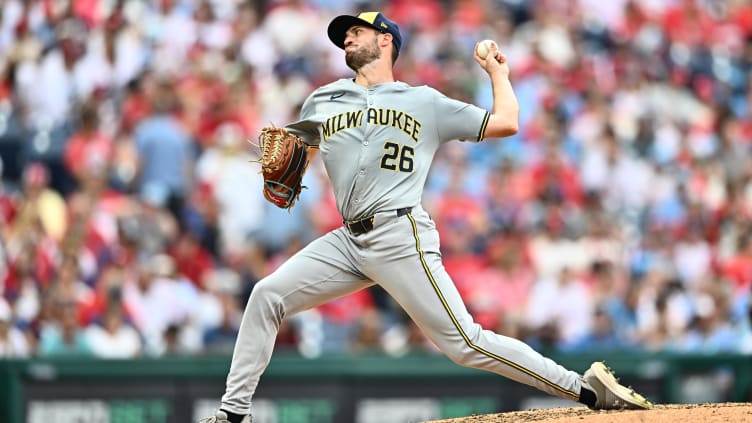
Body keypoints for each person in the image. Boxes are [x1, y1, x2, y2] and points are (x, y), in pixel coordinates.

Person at [199, 11, 653, 423]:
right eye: (344, 36)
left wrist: (499, 73)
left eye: (357, 32)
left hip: (400, 234)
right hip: (348, 241)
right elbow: (293, 153)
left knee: (465, 344)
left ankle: (584, 388)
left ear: (385, 42)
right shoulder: (321, 101)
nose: (347, 40)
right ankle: (234, 414)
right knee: (266, 295)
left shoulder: (424, 101)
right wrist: (277, 159)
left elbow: (507, 122)